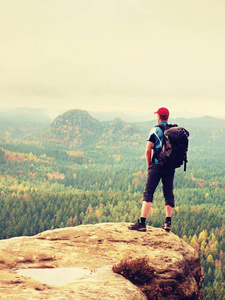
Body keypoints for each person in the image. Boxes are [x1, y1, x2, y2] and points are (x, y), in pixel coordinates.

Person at [128, 107, 175, 232]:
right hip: (170, 166)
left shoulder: (155, 130)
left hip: (156, 165)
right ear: (168, 117)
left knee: (148, 192)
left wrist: (149, 165)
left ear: (158, 117)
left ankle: (142, 222)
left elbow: (148, 149)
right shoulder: (173, 131)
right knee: (168, 192)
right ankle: (167, 222)